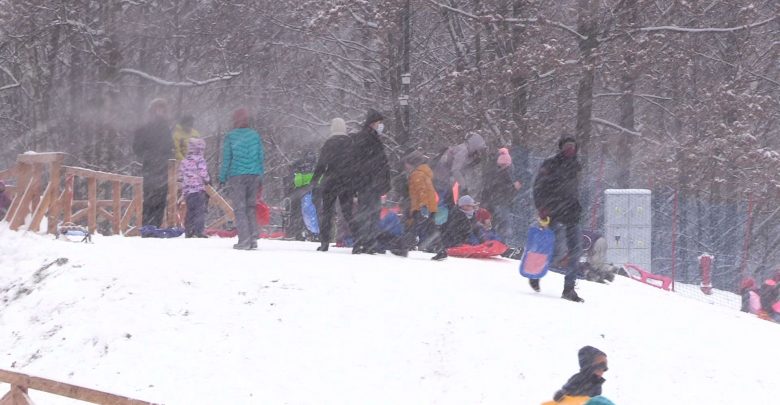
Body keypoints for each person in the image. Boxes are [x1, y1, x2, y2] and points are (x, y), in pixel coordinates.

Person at [532, 134, 585, 302]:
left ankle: (569, 289)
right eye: (567, 146)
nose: (570, 149)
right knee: (554, 251)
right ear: (561, 148)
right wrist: (542, 208)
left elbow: (573, 191)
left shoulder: (576, 166)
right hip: (553, 212)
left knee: (575, 251)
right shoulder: (550, 165)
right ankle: (535, 273)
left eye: (573, 146)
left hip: (571, 214)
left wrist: (577, 207)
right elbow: (538, 187)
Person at [219, 108, 264, 250]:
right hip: (254, 175)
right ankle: (253, 239)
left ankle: (244, 240)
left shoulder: (231, 136)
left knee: (240, 209)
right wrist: (260, 175)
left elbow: (227, 158)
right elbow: (260, 157)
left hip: (237, 175)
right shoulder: (255, 135)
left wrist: (222, 176)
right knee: (251, 207)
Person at [312, 118, 357, 252]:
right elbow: (355, 165)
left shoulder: (329, 143)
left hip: (330, 181)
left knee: (327, 213)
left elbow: (321, 164)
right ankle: (358, 241)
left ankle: (325, 242)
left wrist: (315, 181)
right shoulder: (351, 143)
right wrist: (355, 185)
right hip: (347, 182)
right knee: (348, 213)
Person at [350, 109, 391, 254]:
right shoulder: (368, 139)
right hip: (369, 183)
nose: (381, 126)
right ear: (373, 123)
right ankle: (366, 242)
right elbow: (373, 163)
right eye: (379, 123)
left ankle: (366, 242)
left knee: (369, 212)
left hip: (368, 182)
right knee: (369, 212)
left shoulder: (368, 138)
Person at [133, 98, 174, 227]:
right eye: (158, 109)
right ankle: (148, 227)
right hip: (152, 166)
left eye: (162, 110)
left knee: (160, 199)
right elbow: (137, 147)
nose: (160, 112)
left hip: (160, 166)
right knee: (151, 198)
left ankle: (154, 227)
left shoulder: (165, 128)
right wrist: (149, 155)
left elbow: (169, 147)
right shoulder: (146, 128)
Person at [395, 151, 438, 257]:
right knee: (416, 227)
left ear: (412, 163)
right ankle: (404, 248)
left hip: (420, 206)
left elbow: (421, 191)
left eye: (407, 164)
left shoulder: (416, 175)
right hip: (427, 206)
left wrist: (423, 206)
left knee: (412, 227)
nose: (405, 166)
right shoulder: (423, 173)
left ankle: (404, 248)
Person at [432, 132, 488, 205]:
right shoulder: (463, 151)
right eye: (478, 149)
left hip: (443, 178)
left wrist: (471, 163)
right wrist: (463, 185)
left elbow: (460, 167)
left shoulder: (464, 150)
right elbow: (455, 170)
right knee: (441, 201)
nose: (478, 153)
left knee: (445, 200)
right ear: (474, 146)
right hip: (441, 178)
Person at [481, 148, 517, 243]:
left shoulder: (508, 173)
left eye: (505, 165)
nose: (503, 166)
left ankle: (501, 241)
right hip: (496, 201)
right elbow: (488, 188)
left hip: (500, 201)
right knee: (497, 222)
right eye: (501, 165)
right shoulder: (497, 173)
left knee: (502, 222)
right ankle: (495, 240)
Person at [431, 195, 482, 261]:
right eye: (470, 206)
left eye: (472, 206)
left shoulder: (472, 217)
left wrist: (481, 241)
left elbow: (476, 231)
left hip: (464, 240)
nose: (472, 208)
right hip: (452, 241)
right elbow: (452, 231)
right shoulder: (457, 215)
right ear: (463, 206)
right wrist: (460, 242)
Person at [178, 138, 210, 238]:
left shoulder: (184, 161)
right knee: (199, 211)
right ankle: (199, 230)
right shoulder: (200, 160)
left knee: (190, 211)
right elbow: (203, 172)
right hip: (198, 190)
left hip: (188, 191)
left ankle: (188, 230)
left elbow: (181, 176)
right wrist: (207, 179)